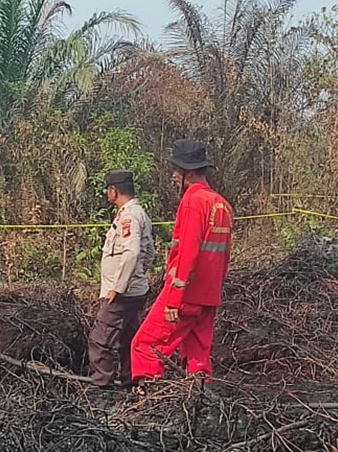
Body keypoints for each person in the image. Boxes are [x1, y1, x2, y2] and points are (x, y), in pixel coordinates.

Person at [130, 140, 232, 382]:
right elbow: (224, 256)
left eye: (176, 169)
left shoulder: (193, 201)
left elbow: (187, 252)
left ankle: (147, 404)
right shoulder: (222, 205)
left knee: (145, 346)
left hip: (185, 294)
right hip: (208, 295)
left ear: (190, 171)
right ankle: (199, 400)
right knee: (197, 355)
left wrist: (173, 300)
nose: (174, 175)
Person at [87, 170, 155, 387]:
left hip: (123, 293)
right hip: (134, 289)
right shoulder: (138, 213)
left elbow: (133, 252)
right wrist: (138, 275)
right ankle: (129, 380)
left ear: (113, 191)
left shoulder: (129, 217)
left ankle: (101, 384)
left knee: (100, 338)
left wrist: (118, 287)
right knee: (128, 338)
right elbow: (150, 252)